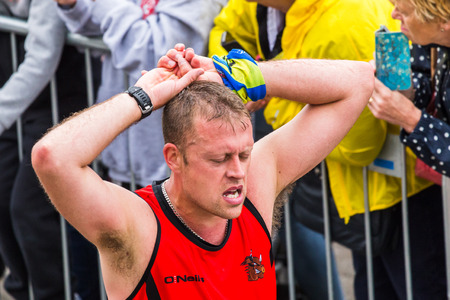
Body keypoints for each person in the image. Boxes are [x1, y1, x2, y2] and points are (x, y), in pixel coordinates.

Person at [31, 45, 373, 299]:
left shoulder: (256, 184)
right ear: (174, 158)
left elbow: (357, 83)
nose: (238, 172)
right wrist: (144, 96)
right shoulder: (140, 226)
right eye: (219, 159)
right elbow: (52, 157)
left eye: (244, 153)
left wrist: (235, 74)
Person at [209, 0, 424, 299]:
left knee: (413, 284)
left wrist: (274, 96)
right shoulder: (264, 9)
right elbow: (227, 29)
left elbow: (360, 142)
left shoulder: (349, 21)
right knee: (371, 285)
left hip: (395, 191)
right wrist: (243, 81)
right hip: (357, 194)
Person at [53, 0, 227, 191]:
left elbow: (155, 56)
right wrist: (72, 5)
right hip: (123, 151)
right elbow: (99, 29)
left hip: (166, 160)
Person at [0, 0, 100, 299]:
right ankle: (23, 289)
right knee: (4, 196)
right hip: (18, 106)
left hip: (63, 104)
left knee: (30, 208)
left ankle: (55, 294)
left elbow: (40, 59)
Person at [362, 0, 449, 299]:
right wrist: (404, 89)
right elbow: (431, 85)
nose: (394, 14)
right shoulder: (432, 40)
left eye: (403, 10)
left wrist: (409, 118)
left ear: (443, 21)